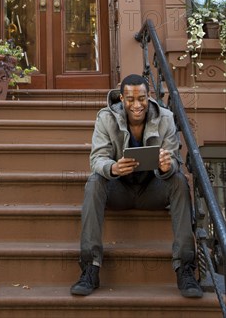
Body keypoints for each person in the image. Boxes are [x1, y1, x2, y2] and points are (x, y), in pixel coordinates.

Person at [70, 74, 203, 298]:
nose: (137, 105)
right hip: (118, 191)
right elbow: (97, 159)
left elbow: (174, 161)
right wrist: (113, 168)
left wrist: (165, 166)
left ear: (148, 97)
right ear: (122, 98)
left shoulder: (166, 118)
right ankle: (90, 268)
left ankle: (185, 268)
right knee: (94, 182)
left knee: (179, 181)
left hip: (153, 191)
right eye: (130, 99)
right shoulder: (106, 117)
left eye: (141, 98)